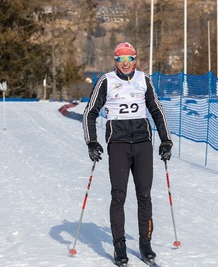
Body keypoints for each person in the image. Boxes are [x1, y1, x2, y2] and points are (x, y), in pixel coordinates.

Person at [83, 42, 173, 266]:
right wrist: (91, 142)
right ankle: (119, 245)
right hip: (119, 144)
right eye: (121, 59)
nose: (125, 63)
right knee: (118, 196)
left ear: (135, 60)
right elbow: (89, 112)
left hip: (142, 143)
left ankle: (145, 243)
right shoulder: (106, 81)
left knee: (144, 195)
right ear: (115, 60)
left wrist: (166, 140)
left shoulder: (144, 79)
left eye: (129, 58)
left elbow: (157, 109)